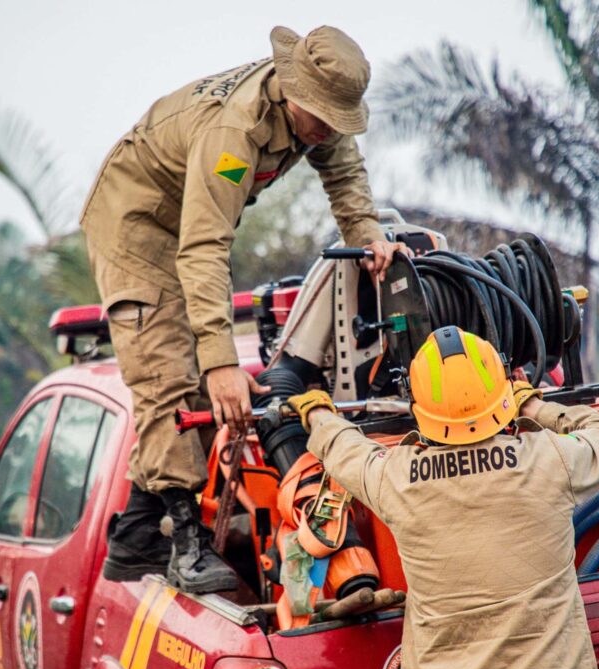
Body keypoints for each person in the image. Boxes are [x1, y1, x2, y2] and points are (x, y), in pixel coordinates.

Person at [80, 25, 407, 593]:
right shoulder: (235, 131)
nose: (328, 130)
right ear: (294, 93)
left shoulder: (317, 111)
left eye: (338, 119)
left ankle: (134, 536)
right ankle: (184, 544)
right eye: (323, 117)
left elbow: (345, 171)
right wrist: (221, 364)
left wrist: (369, 234)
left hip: (183, 223)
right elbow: (204, 247)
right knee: (171, 378)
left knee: (197, 379)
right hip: (137, 224)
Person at [288, 326, 599, 669]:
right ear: (499, 394)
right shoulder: (550, 460)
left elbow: (345, 449)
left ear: (419, 407)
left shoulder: (396, 479)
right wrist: (534, 407)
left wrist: (319, 412)